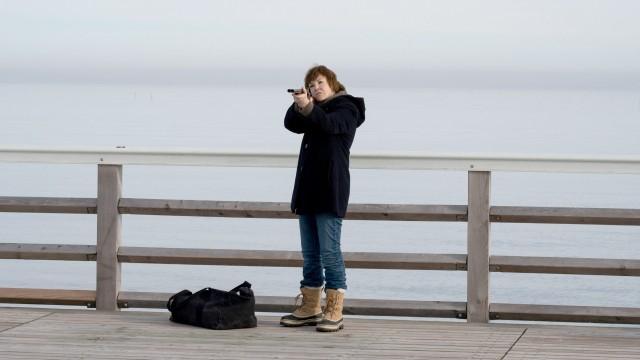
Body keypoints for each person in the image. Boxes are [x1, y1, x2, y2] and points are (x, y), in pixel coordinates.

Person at [279, 65, 365, 332]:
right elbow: (291, 124)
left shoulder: (347, 108)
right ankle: (310, 307)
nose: (315, 88)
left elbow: (330, 125)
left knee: (330, 252)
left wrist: (308, 106)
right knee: (310, 254)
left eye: (319, 83)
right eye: (311, 85)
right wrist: (300, 105)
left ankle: (334, 308)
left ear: (333, 83)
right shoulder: (313, 110)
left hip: (330, 189)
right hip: (307, 190)